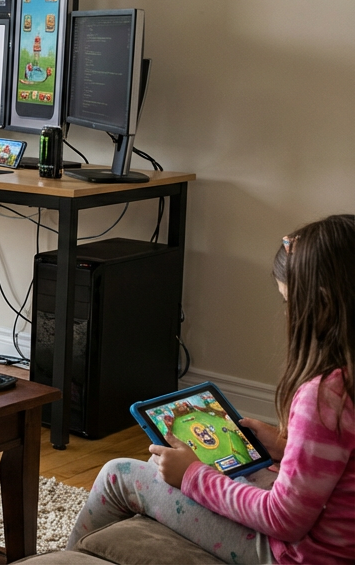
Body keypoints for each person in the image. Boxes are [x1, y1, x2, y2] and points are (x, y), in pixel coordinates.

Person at [66, 214, 355, 563]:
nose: (287, 315)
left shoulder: (324, 396)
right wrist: (284, 446)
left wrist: (191, 475)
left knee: (120, 474)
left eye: (288, 302)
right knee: (239, 467)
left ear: (321, 304)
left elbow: (284, 519)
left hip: (297, 556)